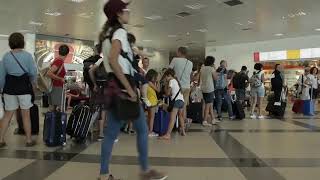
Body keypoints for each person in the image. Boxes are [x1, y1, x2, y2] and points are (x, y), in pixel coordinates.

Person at [97, 1, 167, 179]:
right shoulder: (120, 32)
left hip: (112, 84)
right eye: (125, 9)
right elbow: (113, 59)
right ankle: (145, 170)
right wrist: (129, 88)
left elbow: (112, 61)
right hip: (123, 83)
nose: (128, 12)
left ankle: (104, 174)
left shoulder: (106, 35)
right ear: (118, 14)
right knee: (142, 129)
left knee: (111, 132)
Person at [0, 32, 37, 147]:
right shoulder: (27, 56)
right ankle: (29, 140)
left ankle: (0, 139)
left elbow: (1, 75)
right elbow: (33, 73)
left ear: (10, 43)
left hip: (9, 88)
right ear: (23, 42)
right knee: (25, 115)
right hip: (24, 88)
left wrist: (2, 88)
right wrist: (33, 84)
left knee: (8, 115)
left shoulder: (6, 56)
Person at [169, 47, 193, 128]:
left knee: (177, 107)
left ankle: (178, 124)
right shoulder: (190, 63)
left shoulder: (175, 60)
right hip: (187, 87)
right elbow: (190, 75)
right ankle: (184, 124)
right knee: (183, 106)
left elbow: (169, 71)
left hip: (178, 87)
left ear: (179, 52)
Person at [159, 69, 185, 140]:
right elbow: (172, 93)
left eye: (166, 77)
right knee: (180, 116)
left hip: (176, 101)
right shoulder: (176, 81)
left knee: (172, 118)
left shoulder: (171, 81)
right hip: (181, 100)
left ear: (169, 75)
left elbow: (167, 93)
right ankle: (183, 131)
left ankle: (168, 134)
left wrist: (165, 85)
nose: (166, 79)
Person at [47, 44, 69, 111]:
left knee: (54, 108)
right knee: (54, 108)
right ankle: (52, 121)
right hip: (56, 87)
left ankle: (52, 120)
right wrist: (61, 79)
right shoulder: (58, 61)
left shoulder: (57, 60)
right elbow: (49, 73)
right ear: (67, 53)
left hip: (55, 87)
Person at [199, 56, 217, 126]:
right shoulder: (211, 69)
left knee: (210, 104)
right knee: (208, 105)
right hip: (210, 88)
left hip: (203, 88)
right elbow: (215, 78)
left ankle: (213, 119)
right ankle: (205, 121)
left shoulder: (202, 68)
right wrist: (215, 69)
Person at [145, 69, 160, 137]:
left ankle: (148, 130)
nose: (156, 78)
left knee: (149, 117)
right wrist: (158, 82)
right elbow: (158, 90)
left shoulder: (146, 82)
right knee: (152, 117)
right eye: (155, 77)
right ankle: (150, 131)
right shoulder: (150, 83)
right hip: (152, 101)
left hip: (149, 101)